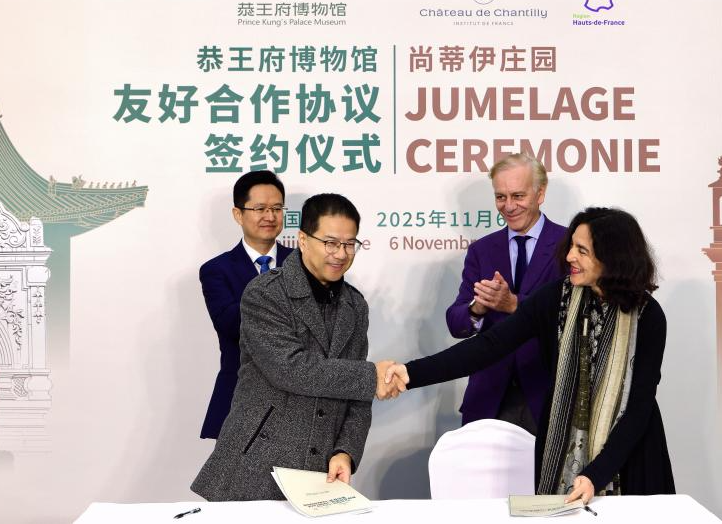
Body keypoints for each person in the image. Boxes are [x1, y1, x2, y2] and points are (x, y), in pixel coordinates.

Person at [392, 207, 674, 503]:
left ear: (613, 257)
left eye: (582, 251)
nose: (569, 257)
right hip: (562, 450)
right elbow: (488, 346)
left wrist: (595, 474)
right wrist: (410, 373)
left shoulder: (649, 317)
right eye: (571, 247)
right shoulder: (555, 298)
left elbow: (638, 407)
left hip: (630, 458)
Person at [192, 193, 404, 501]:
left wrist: (345, 451)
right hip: (254, 465)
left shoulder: (355, 305)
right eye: (330, 243)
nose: (341, 254)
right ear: (303, 240)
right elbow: (292, 369)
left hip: (319, 472)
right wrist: (372, 377)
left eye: (349, 244)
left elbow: (357, 397)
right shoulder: (265, 293)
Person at [445, 154, 566, 434]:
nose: (508, 206)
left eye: (518, 196)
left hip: (547, 398)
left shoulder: (568, 245)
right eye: (500, 197)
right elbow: (456, 322)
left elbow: (572, 316)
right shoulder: (482, 250)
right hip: (489, 400)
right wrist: (477, 308)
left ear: (540, 193)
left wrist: (514, 305)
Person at [198, 171, 294, 439]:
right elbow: (232, 325)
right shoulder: (216, 270)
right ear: (238, 214)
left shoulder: (304, 265)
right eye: (260, 209)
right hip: (240, 400)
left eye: (277, 208)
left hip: (296, 403)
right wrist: (288, 310)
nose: (270, 216)